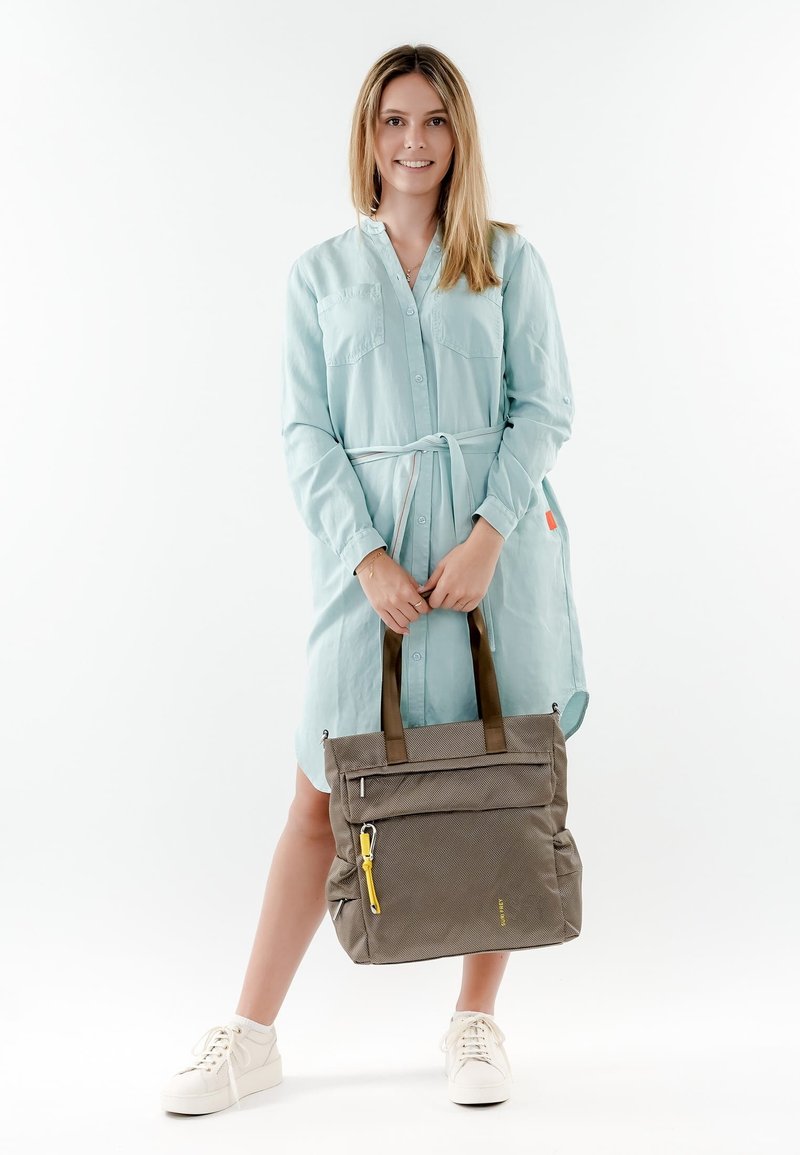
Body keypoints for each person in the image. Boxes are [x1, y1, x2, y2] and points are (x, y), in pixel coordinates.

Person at [161, 42, 589, 1115]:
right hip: (370, 574)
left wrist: (488, 535)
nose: (414, 141)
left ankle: (474, 1018)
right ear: (367, 135)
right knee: (322, 790)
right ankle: (249, 1033)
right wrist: (364, 555)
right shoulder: (318, 276)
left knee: (493, 779)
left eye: (434, 120)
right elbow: (305, 432)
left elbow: (543, 407)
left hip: (491, 567)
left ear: (459, 136)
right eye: (394, 120)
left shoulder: (506, 260)